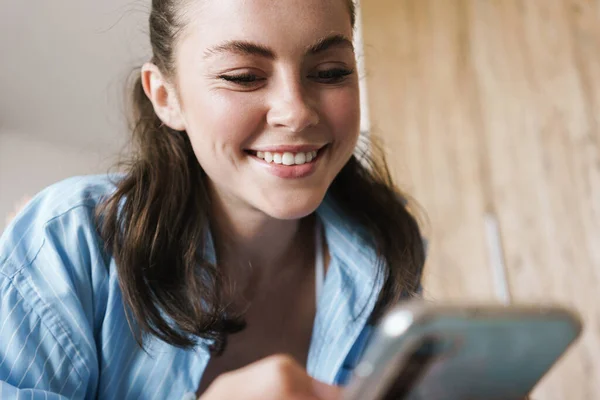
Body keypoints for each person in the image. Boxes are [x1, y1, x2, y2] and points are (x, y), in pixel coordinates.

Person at [0, 0, 425, 398]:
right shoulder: (65, 242)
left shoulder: (387, 248)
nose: (296, 112)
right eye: (243, 77)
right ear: (166, 97)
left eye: (331, 71)